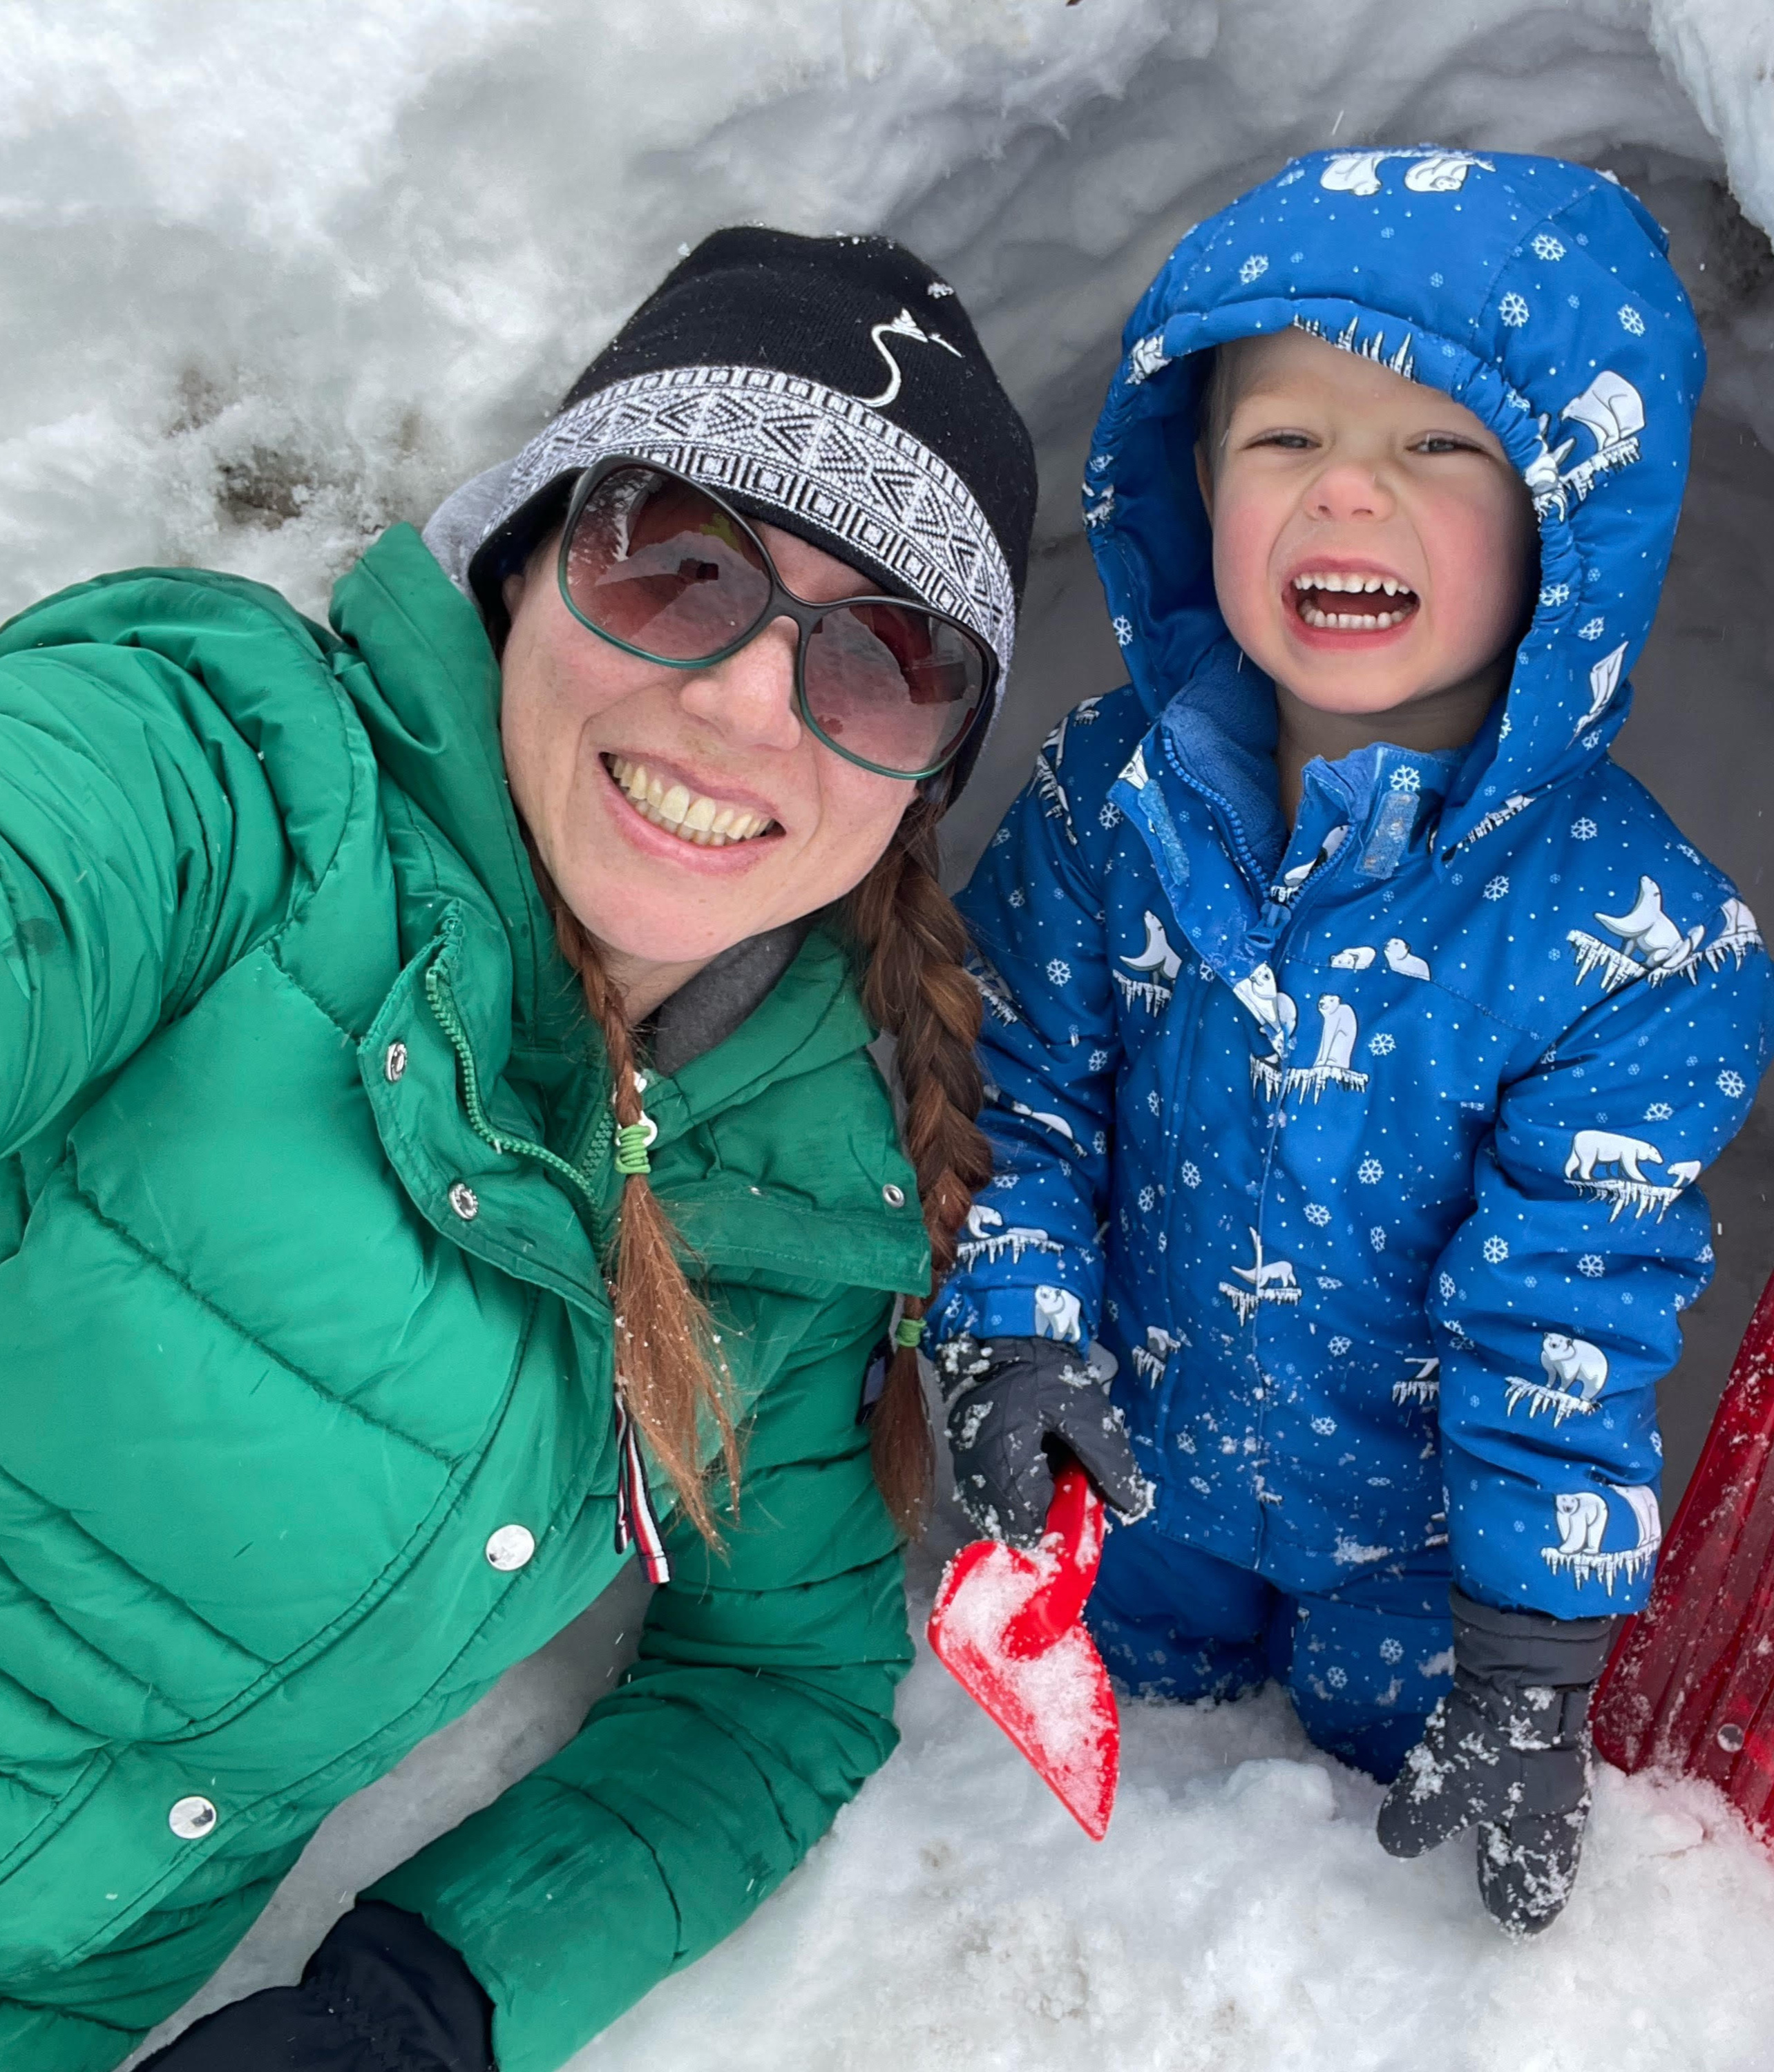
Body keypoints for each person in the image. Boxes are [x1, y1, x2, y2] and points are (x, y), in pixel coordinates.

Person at [0, 227, 1033, 2072]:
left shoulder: (789, 1194)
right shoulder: (220, 773)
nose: (746, 701)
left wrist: (414, 2015)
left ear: (920, 788)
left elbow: (780, 1687)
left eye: (882, 658)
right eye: (675, 564)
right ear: (519, 556)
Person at [929, 146, 1774, 1933]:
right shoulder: (1110, 805)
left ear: (1568, 522)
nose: (1347, 490)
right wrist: (1015, 1334)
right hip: (1131, 1478)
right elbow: (1015, 1085)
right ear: (1196, 483)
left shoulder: (1634, 945)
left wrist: (1533, 1647)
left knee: (1380, 1885)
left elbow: (1565, 1314)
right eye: (1286, 438)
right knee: (1099, 1849)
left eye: (1440, 446)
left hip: (1423, 1564)